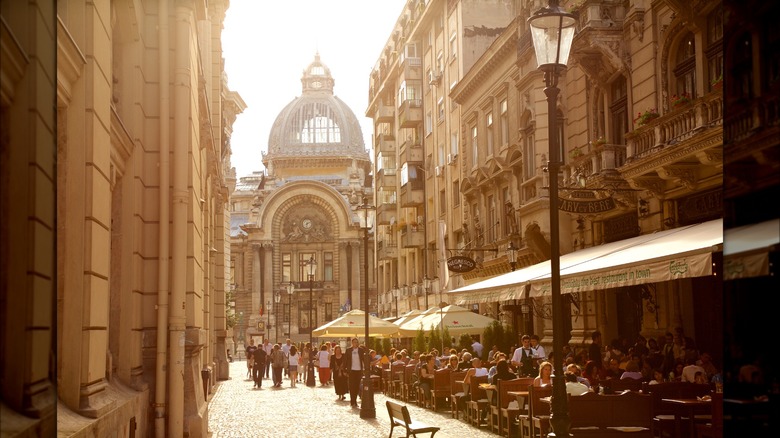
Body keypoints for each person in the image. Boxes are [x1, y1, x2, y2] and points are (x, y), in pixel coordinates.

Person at [345, 338, 367, 408]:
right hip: (351, 370)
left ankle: (355, 401)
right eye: (354, 342)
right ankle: (352, 401)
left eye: (357, 342)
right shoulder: (348, 350)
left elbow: (364, 359)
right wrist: (344, 370)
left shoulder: (360, 350)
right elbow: (345, 360)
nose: (356, 344)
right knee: (352, 387)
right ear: (352, 343)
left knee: (357, 386)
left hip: (359, 370)